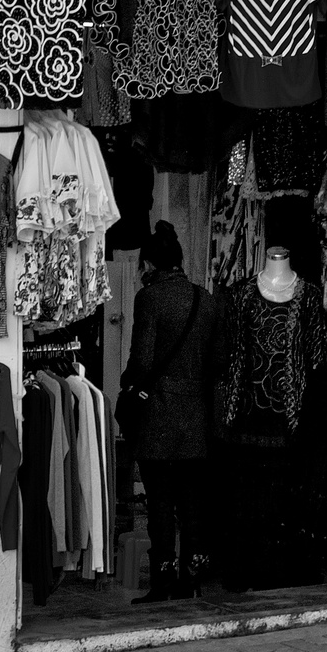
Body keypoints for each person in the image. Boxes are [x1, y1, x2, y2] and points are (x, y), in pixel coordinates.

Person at [122, 221, 221, 603]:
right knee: (192, 501)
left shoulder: (149, 299)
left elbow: (142, 359)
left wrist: (129, 383)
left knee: (160, 500)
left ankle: (163, 580)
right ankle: (192, 577)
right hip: (195, 415)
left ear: (148, 262)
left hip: (158, 415)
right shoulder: (206, 299)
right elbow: (218, 360)